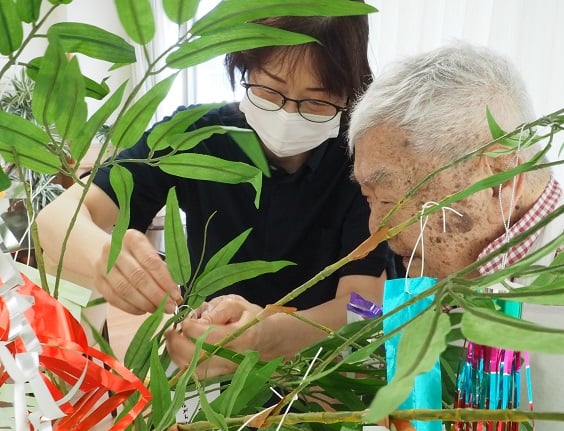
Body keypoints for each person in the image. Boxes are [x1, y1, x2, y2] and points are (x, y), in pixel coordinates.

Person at [36, 8, 389, 378]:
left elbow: (365, 307)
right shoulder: (195, 138)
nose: (287, 114)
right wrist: (105, 260)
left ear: (350, 95)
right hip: (205, 365)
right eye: (270, 90)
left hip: (317, 371)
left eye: (317, 102)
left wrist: (266, 336)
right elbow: (56, 219)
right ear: (243, 67)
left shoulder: (361, 159)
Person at [348, 42, 564, 283]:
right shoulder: (450, 275)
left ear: (500, 181)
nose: (376, 228)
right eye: (370, 198)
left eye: (388, 199)